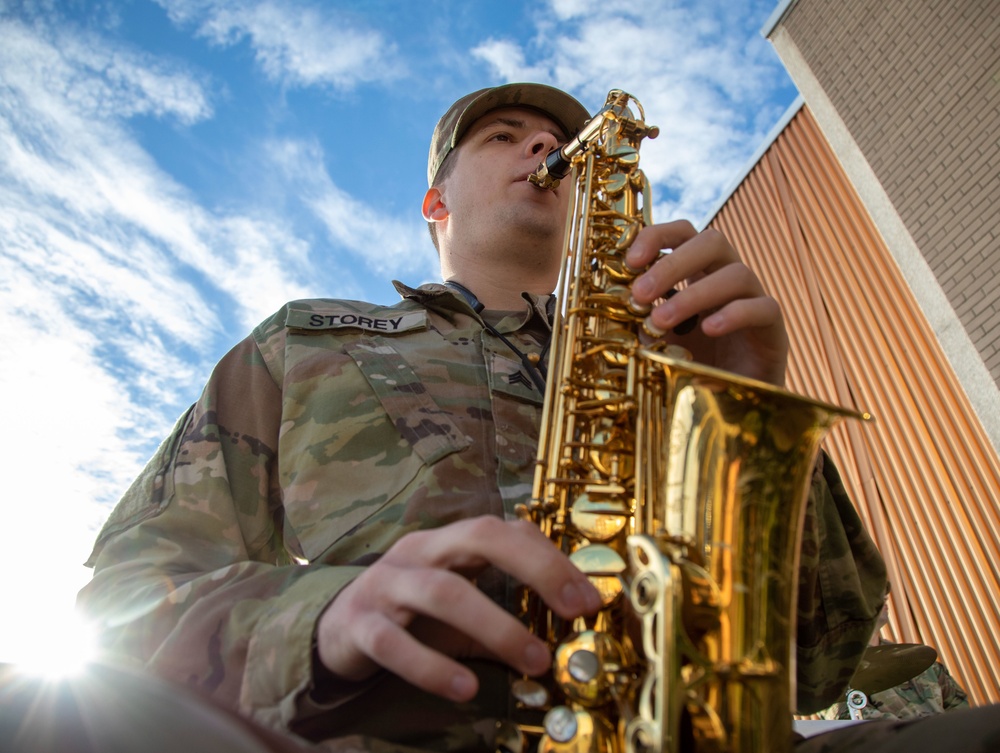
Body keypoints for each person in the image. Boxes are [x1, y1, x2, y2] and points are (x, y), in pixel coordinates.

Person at [75, 83, 995, 752]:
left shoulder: (666, 353)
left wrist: (740, 410)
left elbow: (819, 660)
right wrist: (318, 618)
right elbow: (125, 598)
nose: (543, 149)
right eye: (505, 136)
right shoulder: (305, 344)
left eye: (554, 137)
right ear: (437, 202)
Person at [817, 585, 969, 722]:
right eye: (871, 590)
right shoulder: (833, 673)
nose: (885, 595)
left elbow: (958, 701)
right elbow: (854, 724)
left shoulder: (913, 656)